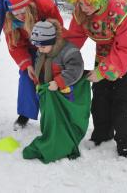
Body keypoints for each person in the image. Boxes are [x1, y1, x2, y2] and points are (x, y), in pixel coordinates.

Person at [64, 0, 127, 157]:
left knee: (123, 97)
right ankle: (102, 133)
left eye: (89, 2)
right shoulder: (81, 12)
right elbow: (74, 39)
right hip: (105, 49)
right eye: (81, 2)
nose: (84, 6)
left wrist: (102, 71)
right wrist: (63, 60)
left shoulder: (119, 10)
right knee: (100, 94)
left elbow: (126, 48)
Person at [23, 19, 89, 163]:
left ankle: (62, 143)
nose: (39, 50)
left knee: (61, 121)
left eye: (42, 46)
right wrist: (37, 82)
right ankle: (50, 137)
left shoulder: (69, 51)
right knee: (49, 120)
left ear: (52, 41)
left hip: (63, 97)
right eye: (37, 46)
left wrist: (59, 82)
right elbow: (39, 66)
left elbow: (75, 70)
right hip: (48, 95)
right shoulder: (43, 50)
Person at [0, 0, 63, 129]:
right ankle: (25, 114)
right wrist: (27, 64)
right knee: (27, 76)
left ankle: (54, 113)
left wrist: (51, 50)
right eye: (16, 13)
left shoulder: (44, 5)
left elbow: (58, 28)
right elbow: (15, 46)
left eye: (22, 12)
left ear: (29, 7)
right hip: (29, 48)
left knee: (50, 75)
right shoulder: (9, 20)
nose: (20, 16)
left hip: (48, 44)